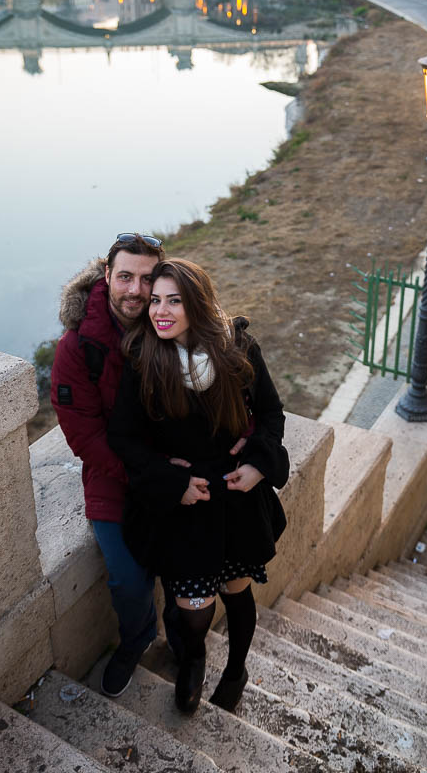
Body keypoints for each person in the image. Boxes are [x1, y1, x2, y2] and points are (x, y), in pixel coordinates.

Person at [108, 258, 289, 715]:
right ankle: (193, 662)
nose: (160, 312)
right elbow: (123, 438)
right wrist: (173, 483)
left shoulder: (238, 348)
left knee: (238, 592)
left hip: (237, 498)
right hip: (186, 504)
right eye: (155, 301)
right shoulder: (143, 358)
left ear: (198, 305)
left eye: (174, 301)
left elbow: (271, 414)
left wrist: (257, 466)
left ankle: (236, 669)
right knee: (191, 609)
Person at [51, 233, 172, 698]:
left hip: (172, 468)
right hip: (114, 477)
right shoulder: (78, 347)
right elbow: (84, 436)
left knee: (187, 561)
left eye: (147, 279)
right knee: (128, 577)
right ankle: (137, 637)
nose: (135, 291)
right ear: (106, 276)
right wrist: (147, 477)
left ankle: (186, 641)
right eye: (125, 277)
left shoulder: (171, 323)